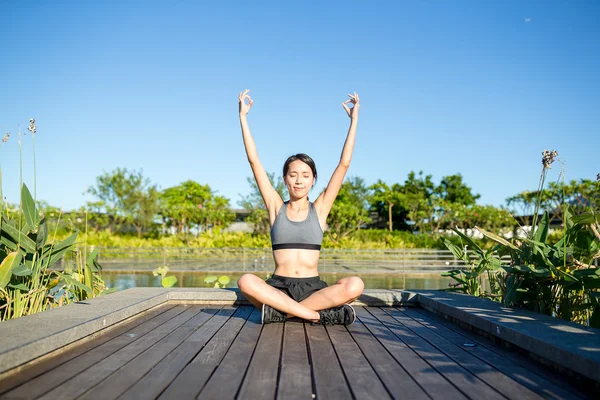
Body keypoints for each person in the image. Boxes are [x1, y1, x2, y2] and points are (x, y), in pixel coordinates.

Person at [236, 89, 364, 325]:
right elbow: (254, 161)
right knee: (246, 281)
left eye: (305, 175)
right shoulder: (276, 207)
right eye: (293, 175)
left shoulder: (320, 209)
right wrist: (243, 118)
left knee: (355, 284)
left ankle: (281, 313)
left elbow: (344, 164)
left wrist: (354, 120)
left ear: (313, 179)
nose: (298, 180)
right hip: (279, 287)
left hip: (313, 289)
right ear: (284, 179)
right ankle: (316, 315)